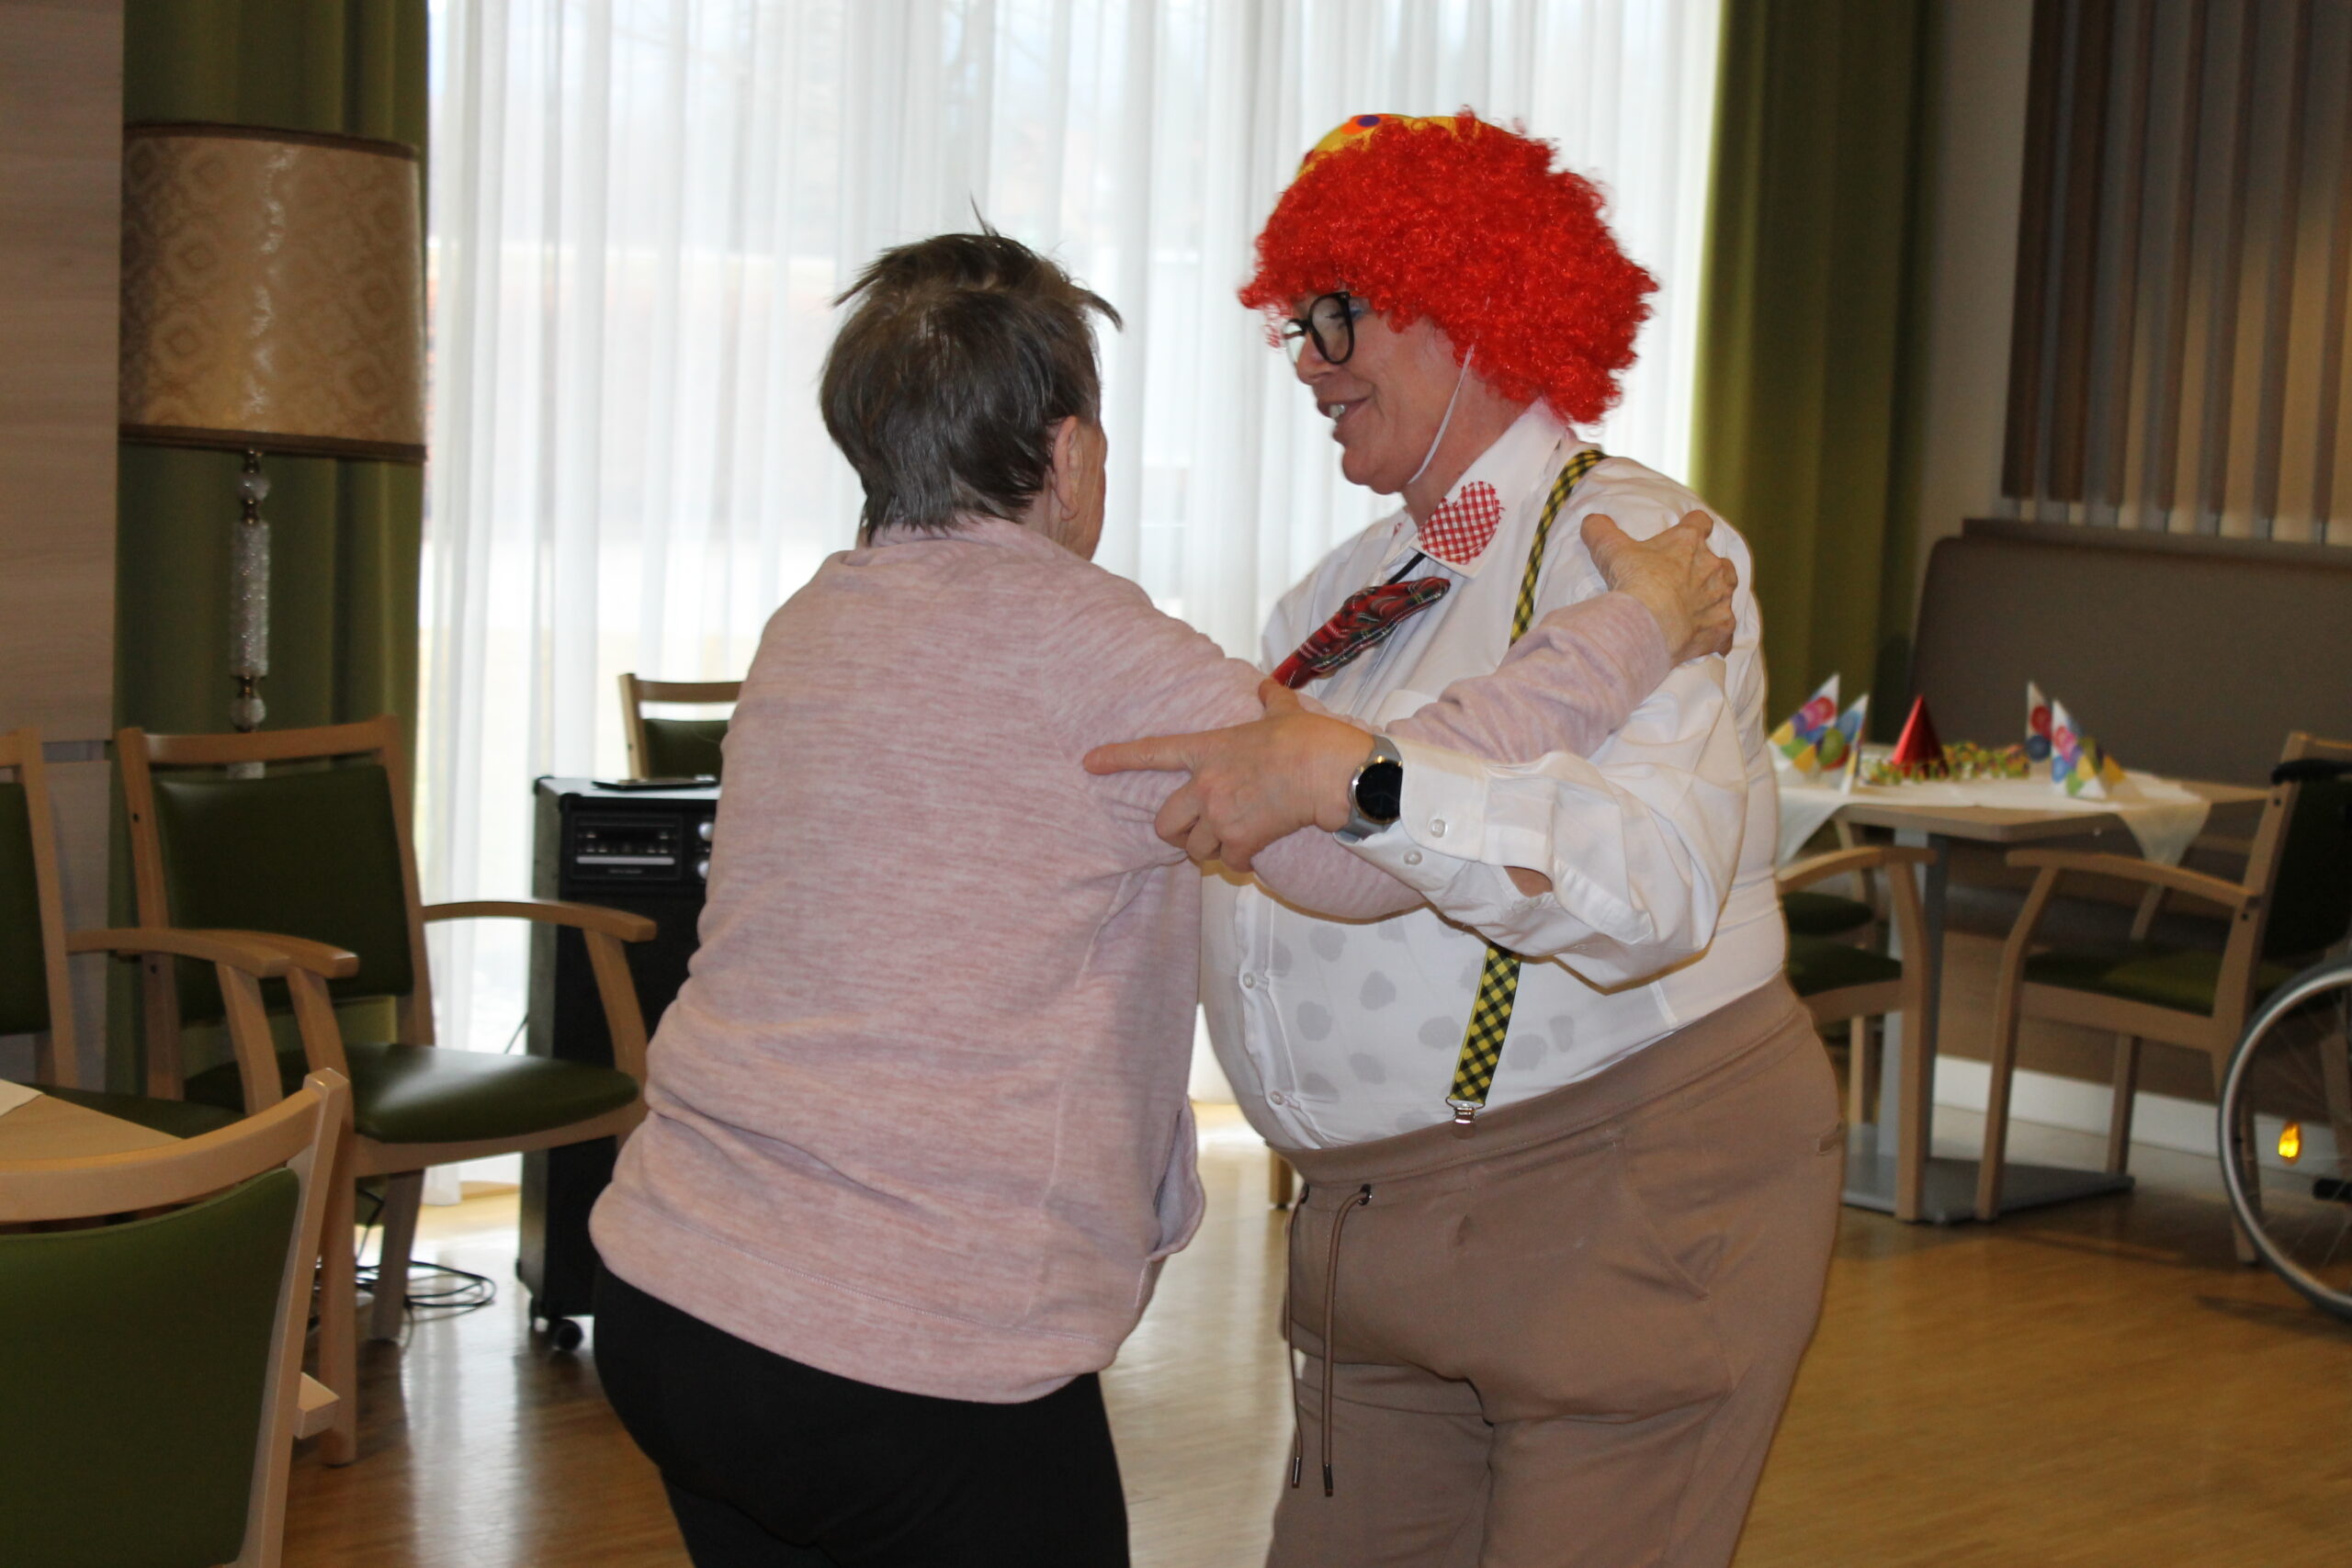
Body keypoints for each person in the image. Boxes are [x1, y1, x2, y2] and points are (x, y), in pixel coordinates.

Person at [587, 229, 1739, 1568]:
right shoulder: (1089, 647)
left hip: (673, 1296)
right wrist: (1633, 627)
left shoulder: (812, 626)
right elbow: (1348, 831)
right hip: (908, 1345)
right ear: (1071, 452)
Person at [1087, 113, 1840, 1568]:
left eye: (1334, 315)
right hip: (1375, 1244)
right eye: (1295, 322)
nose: (1305, 362)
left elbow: (1652, 893)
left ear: (1474, 300)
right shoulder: (1346, 594)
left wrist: (1369, 788)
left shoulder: (1645, 550)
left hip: (1619, 1213)